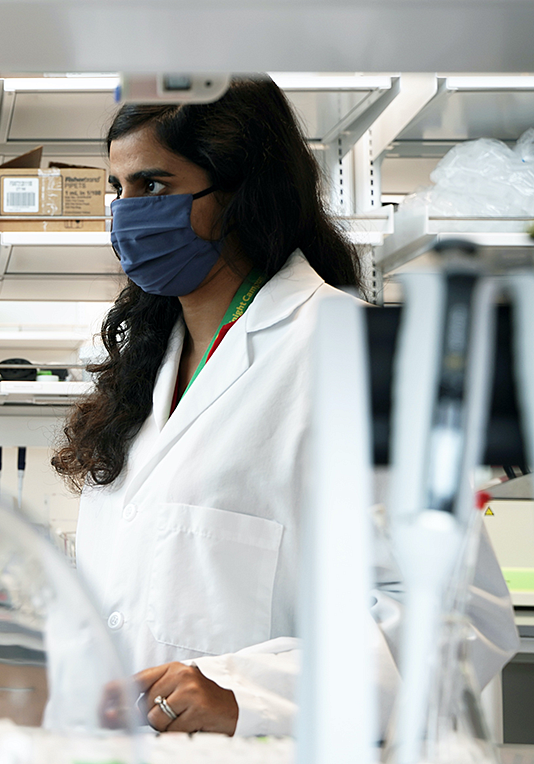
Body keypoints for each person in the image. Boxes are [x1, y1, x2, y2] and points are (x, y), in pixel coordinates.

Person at [53, 76, 517, 737]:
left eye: (152, 187)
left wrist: (245, 693)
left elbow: (464, 618)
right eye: (117, 190)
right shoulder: (144, 365)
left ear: (240, 192)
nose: (125, 213)